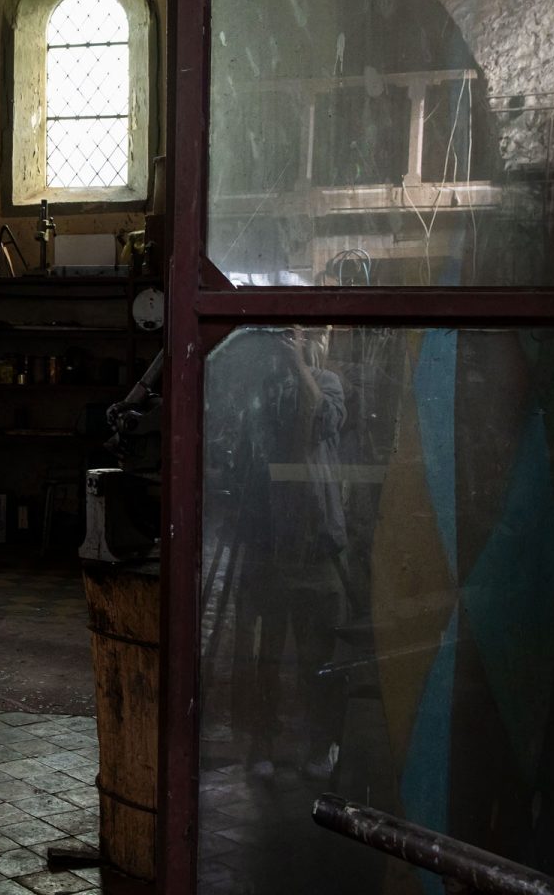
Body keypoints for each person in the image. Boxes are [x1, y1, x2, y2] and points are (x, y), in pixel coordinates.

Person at [231, 326, 348, 780]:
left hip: (317, 541)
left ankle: (320, 744)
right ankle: (263, 741)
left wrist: (300, 366)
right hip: (270, 539)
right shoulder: (261, 393)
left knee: (318, 650)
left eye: (302, 339)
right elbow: (247, 451)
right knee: (268, 654)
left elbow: (321, 419)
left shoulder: (330, 383)